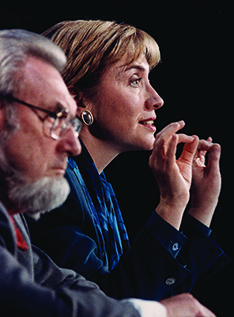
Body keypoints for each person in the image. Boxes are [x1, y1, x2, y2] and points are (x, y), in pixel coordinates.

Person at [0, 27, 217, 317]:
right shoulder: (53, 183)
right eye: (135, 80)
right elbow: (116, 298)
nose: (156, 99)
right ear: (80, 101)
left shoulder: (100, 187)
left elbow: (161, 297)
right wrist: (172, 202)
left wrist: (200, 206)